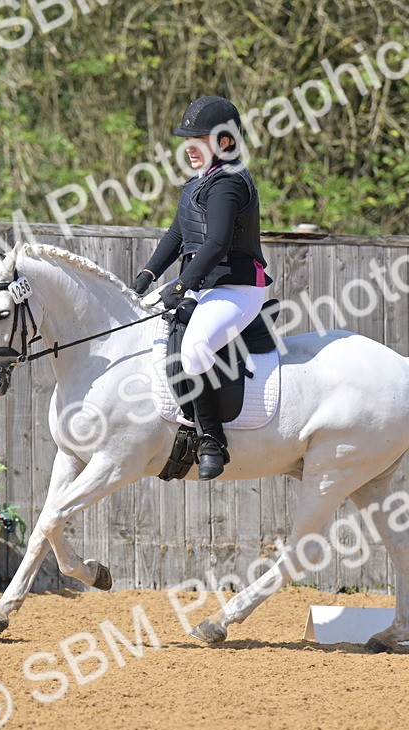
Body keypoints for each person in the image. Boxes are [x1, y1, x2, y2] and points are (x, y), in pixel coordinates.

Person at [132, 95, 272, 480]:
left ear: (225, 141)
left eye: (199, 139)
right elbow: (178, 233)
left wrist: (181, 285)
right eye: (187, 139)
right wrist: (146, 275)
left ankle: (212, 439)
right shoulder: (199, 181)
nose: (189, 147)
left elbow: (217, 244)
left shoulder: (228, 183)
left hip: (236, 289)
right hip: (204, 287)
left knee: (195, 350)